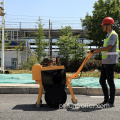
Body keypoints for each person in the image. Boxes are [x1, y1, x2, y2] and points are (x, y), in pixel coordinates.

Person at [91, 17, 119, 107]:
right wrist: (95, 51)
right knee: (102, 80)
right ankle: (106, 100)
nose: (102, 27)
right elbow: (105, 49)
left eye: (104, 25)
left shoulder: (113, 35)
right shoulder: (107, 35)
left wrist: (95, 50)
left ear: (109, 26)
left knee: (110, 81)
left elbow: (108, 48)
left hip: (110, 61)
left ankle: (111, 102)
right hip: (105, 61)